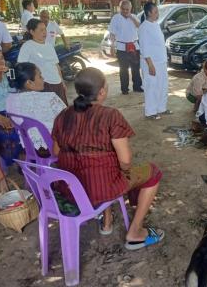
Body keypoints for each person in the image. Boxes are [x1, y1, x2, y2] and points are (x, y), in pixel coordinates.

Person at [52, 68, 164, 250]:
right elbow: (126, 160)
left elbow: (56, 152)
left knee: (101, 169)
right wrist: (124, 171)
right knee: (153, 172)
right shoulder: (110, 116)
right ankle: (135, 231)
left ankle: (107, 220)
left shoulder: (63, 115)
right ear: (102, 91)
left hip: (70, 189)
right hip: (101, 187)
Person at [6, 62, 66, 151]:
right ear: (29, 82)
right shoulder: (49, 98)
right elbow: (68, 118)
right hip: (53, 146)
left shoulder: (10, 99)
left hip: (28, 146)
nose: (43, 79)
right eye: (40, 76)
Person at [17, 18, 68, 105]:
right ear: (32, 32)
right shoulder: (27, 46)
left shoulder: (49, 45)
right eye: (41, 30)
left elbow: (56, 65)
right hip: (43, 84)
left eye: (45, 29)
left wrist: (62, 82)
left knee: (62, 112)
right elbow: (21, 66)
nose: (45, 32)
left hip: (57, 83)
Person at [138, 2, 171, 119]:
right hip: (151, 63)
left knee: (162, 85)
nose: (158, 14)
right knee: (151, 86)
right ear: (148, 13)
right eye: (155, 11)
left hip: (161, 61)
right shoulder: (144, 27)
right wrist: (150, 65)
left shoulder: (155, 25)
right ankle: (150, 112)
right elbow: (144, 48)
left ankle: (161, 108)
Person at [109, 0, 142, 95]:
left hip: (134, 46)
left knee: (135, 68)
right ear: (120, 8)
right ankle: (124, 89)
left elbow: (139, 26)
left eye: (127, 9)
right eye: (123, 9)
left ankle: (137, 87)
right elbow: (112, 33)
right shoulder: (116, 18)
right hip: (121, 47)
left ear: (130, 9)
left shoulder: (134, 17)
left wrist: (131, 17)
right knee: (123, 69)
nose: (125, 11)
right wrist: (112, 46)